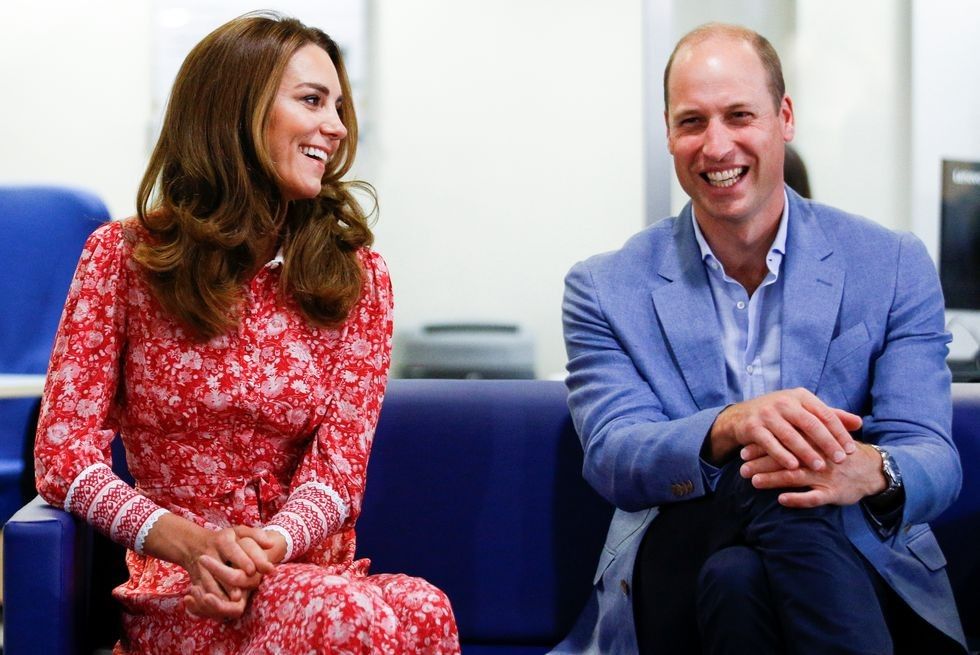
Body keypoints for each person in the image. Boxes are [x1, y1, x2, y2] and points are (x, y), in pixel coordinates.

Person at [34, 12, 460, 655]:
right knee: (345, 617)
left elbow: (339, 472)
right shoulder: (121, 258)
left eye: (339, 106)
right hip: (181, 586)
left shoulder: (360, 277)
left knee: (426, 610)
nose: (338, 128)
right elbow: (62, 461)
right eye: (312, 101)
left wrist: (268, 548)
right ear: (235, 111)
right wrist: (192, 545)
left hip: (302, 569)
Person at [554, 23, 966, 655]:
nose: (717, 145)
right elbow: (614, 456)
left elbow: (933, 456)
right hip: (675, 560)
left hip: (857, 557)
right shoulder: (605, 286)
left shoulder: (890, 262)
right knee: (755, 473)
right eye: (693, 122)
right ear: (668, 131)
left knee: (738, 579)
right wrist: (733, 426)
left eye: (739, 115)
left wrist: (870, 470)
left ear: (785, 117)